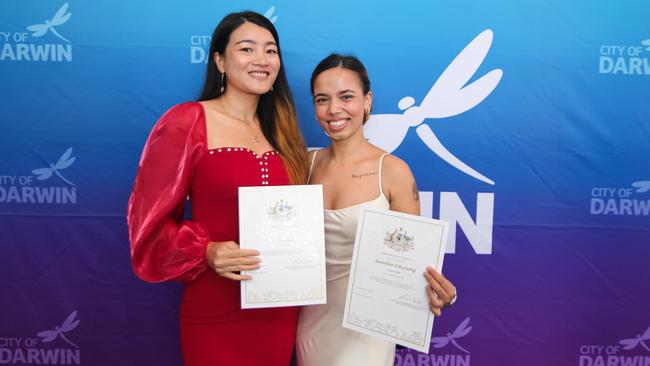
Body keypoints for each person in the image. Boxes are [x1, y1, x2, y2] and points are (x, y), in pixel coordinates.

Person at [127, 11, 308, 366]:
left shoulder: (284, 132)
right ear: (220, 60)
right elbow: (145, 225)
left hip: (280, 311)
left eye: (271, 51)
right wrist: (205, 251)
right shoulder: (186, 121)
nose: (262, 59)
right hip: (215, 309)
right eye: (247, 49)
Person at [296, 54, 457, 366]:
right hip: (309, 326)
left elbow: (413, 263)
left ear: (367, 101)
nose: (334, 109)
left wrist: (442, 294)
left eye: (346, 97)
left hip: (367, 332)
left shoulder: (393, 171)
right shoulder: (303, 164)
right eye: (322, 99)